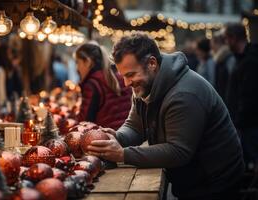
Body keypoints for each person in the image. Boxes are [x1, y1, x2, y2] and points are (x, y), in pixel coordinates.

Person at [87, 34, 244, 199]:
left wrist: (123, 154)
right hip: (193, 177)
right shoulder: (144, 85)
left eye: (131, 74)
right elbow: (134, 126)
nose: (126, 83)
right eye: (123, 76)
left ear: (152, 63)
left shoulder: (184, 94)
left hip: (215, 183)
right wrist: (117, 138)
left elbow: (178, 151)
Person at [74, 42, 132, 130]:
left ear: (87, 61)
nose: (77, 68)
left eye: (78, 62)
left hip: (105, 137)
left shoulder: (92, 83)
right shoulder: (118, 75)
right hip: (126, 133)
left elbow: (84, 122)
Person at [225, 23, 258, 169]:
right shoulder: (241, 59)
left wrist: (238, 122)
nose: (226, 43)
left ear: (233, 38)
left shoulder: (251, 61)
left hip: (250, 126)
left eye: (227, 39)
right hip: (245, 124)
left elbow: (248, 96)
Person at [211, 30, 236, 105]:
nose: (211, 46)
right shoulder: (220, 58)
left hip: (228, 101)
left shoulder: (228, 58)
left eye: (212, 43)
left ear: (217, 43)